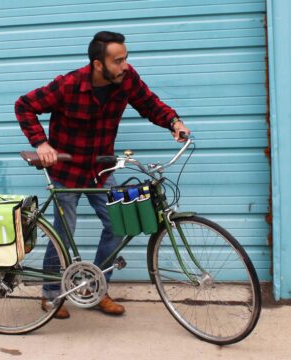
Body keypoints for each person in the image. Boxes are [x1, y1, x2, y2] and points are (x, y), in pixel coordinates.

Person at [15, 31, 189, 319]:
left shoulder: (127, 79)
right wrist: (41, 143)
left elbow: (149, 103)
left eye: (125, 59)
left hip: (100, 168)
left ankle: (96, 288)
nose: (124, 65)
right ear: (98, 64)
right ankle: (51, 293)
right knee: (63, 231)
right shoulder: (69, 85)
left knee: (119, 225)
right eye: (118, 60)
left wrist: (173, 121)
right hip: (67, 169)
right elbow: (24, 106)